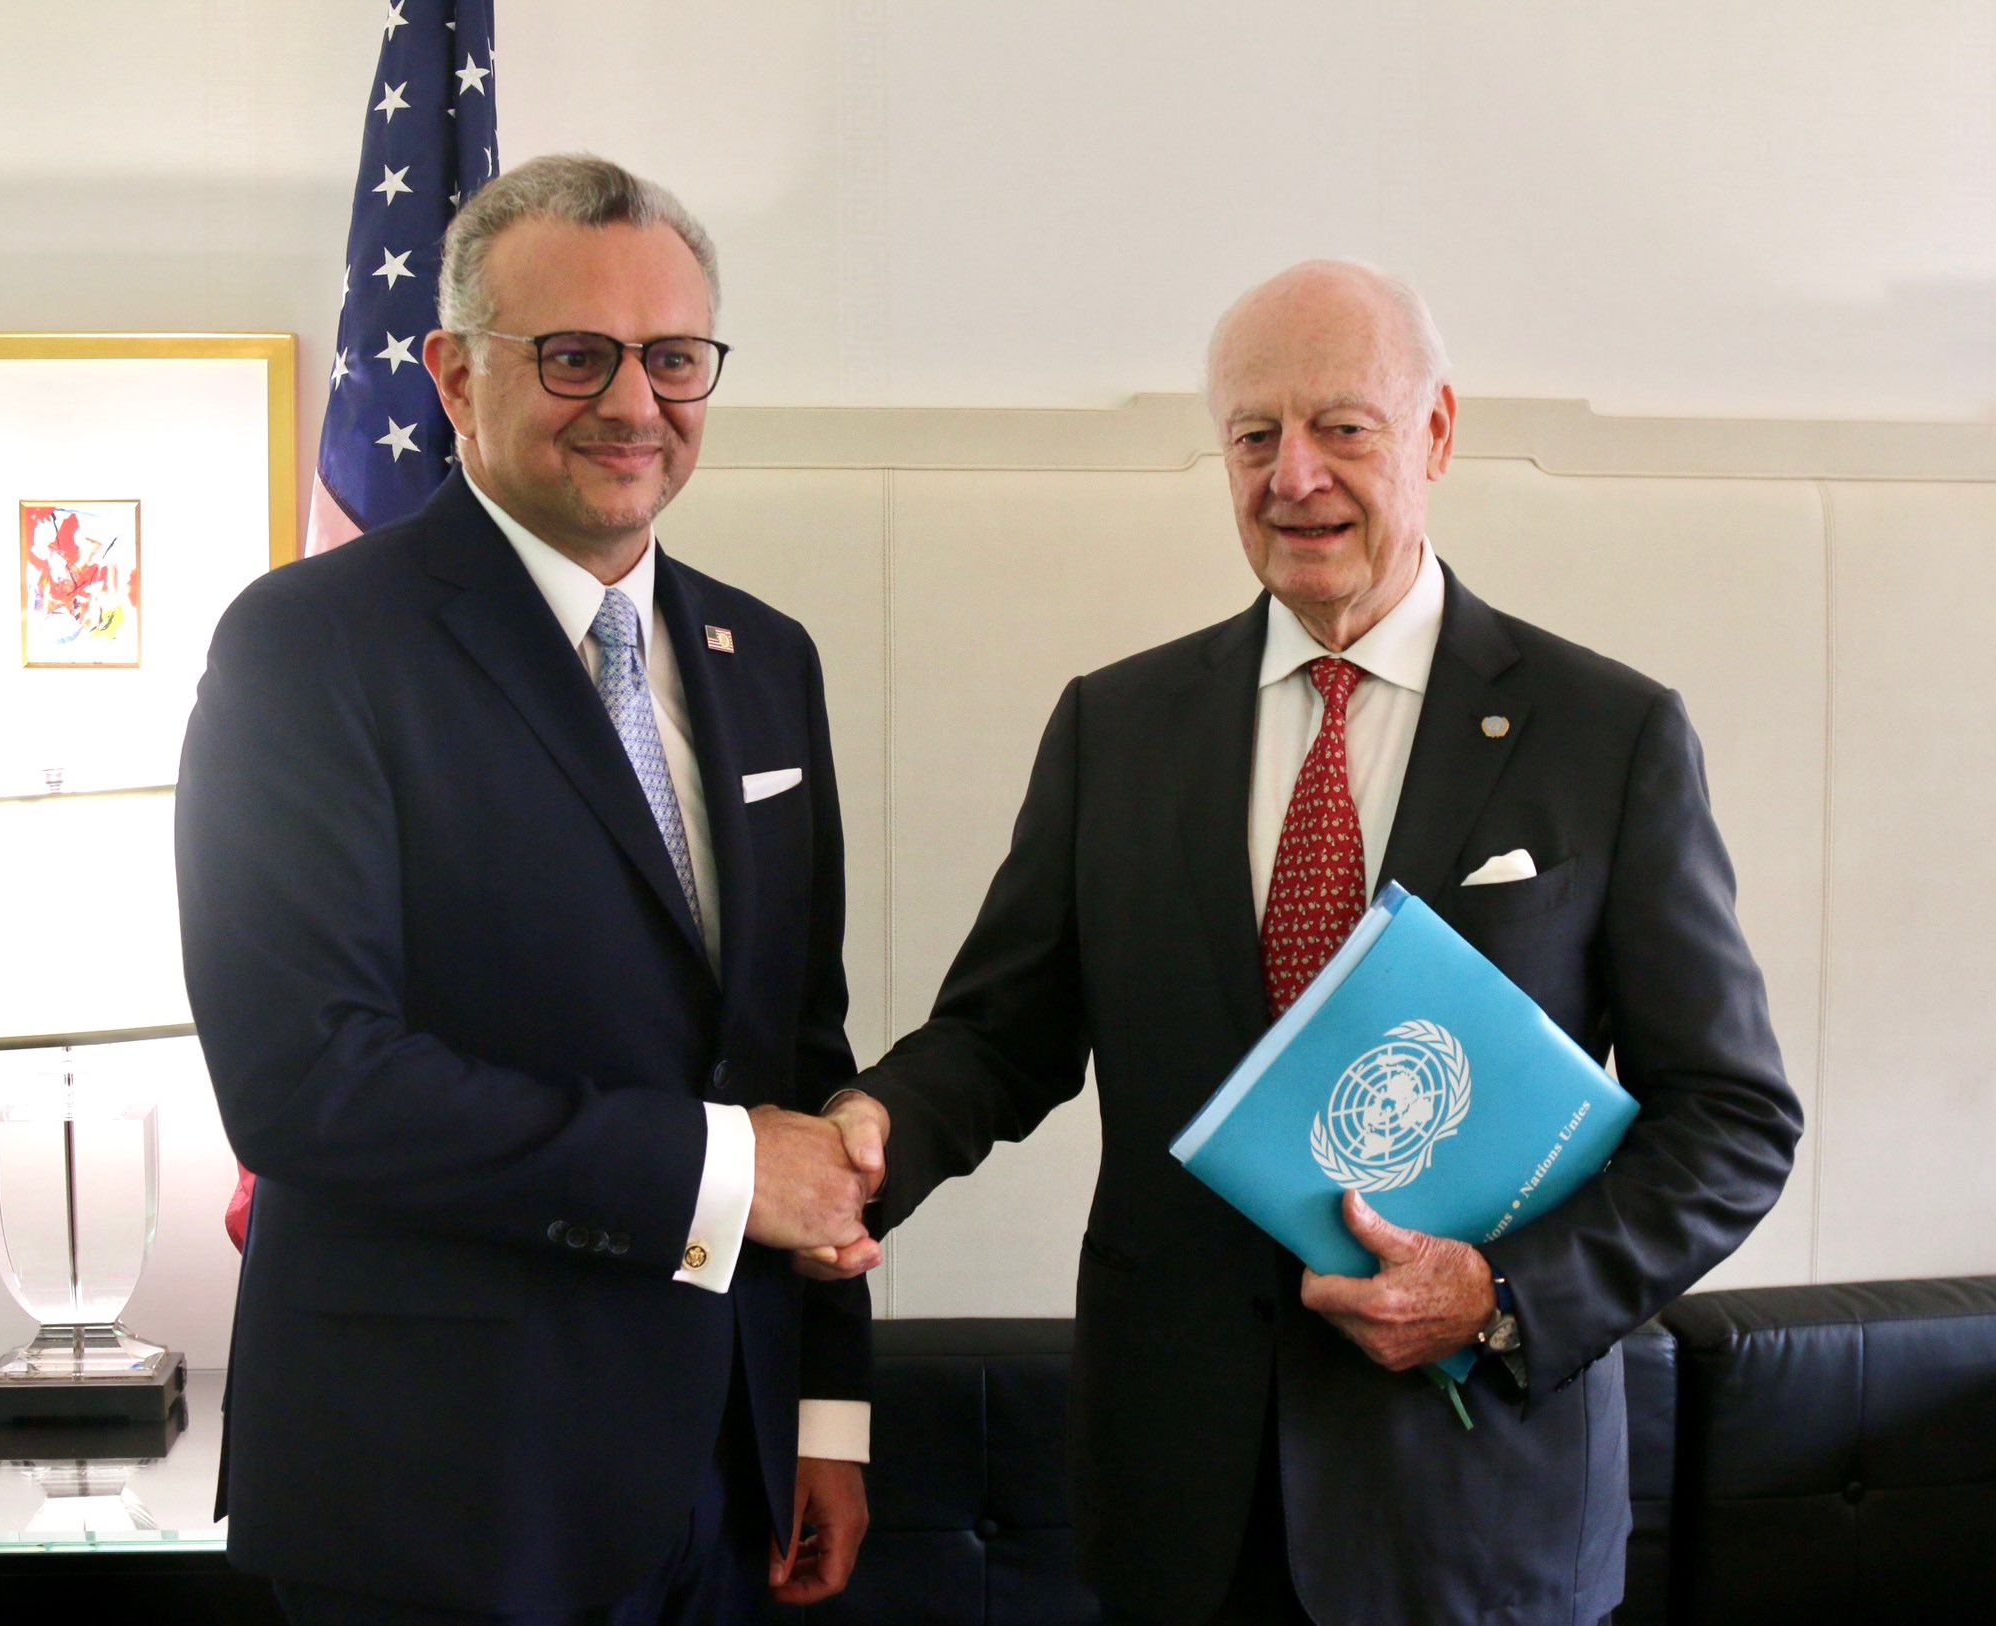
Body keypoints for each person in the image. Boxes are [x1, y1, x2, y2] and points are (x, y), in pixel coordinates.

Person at [819, 261, 1803, 1624]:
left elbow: (1734, 1120)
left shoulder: (1606, 735)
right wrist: (872, 1133)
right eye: (1253, 435)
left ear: (1437, 434)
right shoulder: (1117, 727)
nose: (1294, 477)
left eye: (1343, 426)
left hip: (1473, 1511)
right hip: (1180, 1507)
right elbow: (1002, 1034)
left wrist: (1501, 1295)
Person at [175, 155, 885, 1625]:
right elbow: (307, 1080)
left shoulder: (769, 659)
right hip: (435, 1498)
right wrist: (719, 1174)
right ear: (453, 375)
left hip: (728, 1480)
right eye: (574, 355)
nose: (633, 403)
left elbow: (794, 1059)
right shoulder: (308, 648)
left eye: (672, 357)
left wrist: (825, 1410)